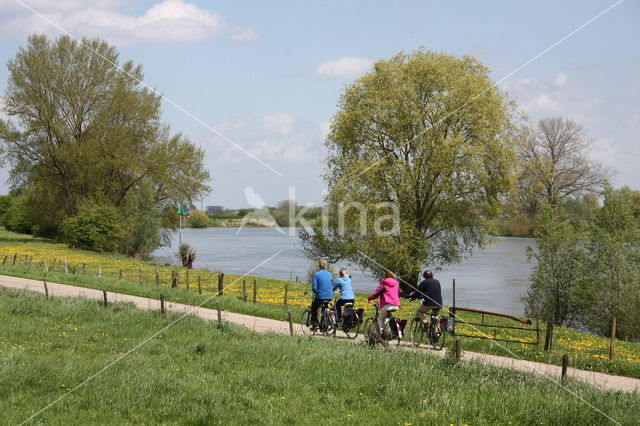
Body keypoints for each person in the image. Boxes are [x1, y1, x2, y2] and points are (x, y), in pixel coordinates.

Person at [310, 259, 334, 329]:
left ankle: (315, 323)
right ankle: (323, 325)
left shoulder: (317, 274)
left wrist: (316, 292)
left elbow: (314, 287)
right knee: (325, 309)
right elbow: (332, 286)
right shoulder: (330, 274)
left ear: (319, 265)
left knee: (314, 307)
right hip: (329, 296)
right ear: (326, 266)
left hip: (320, 296)